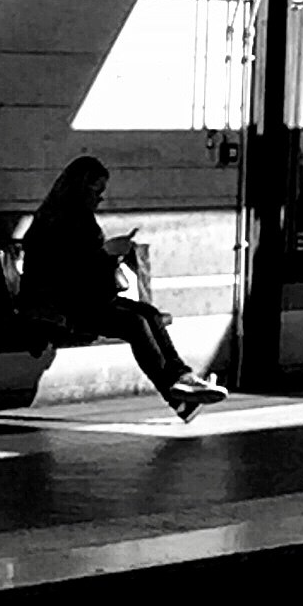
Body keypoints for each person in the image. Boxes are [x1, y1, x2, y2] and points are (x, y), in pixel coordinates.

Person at [16, 155, 226, 419]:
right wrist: (106, 254)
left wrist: (107, 256)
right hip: (62, 305)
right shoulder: (55, 223)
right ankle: (178, 393)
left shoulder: (74, 218)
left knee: (148, 314)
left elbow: (85, 271)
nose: (100, 198)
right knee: (135, 323)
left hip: (85, 298)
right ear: (82, 188)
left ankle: (182, 379)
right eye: (97, 190)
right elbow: (67, 273)